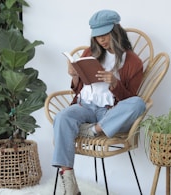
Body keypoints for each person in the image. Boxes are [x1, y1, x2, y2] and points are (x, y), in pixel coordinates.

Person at [52, 9, 146, 195]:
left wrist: (114, 83)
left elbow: (130, 98)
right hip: (85, 106)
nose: (102, 40)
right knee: (63, 116)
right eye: (97, 36)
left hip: (108, 112)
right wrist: (75, 76)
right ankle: (69, 184)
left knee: (138, 104)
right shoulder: (90, 52)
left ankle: (95, 130)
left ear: (116, 31)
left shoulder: (133, 62)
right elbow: (80, 89)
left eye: (106, 34)